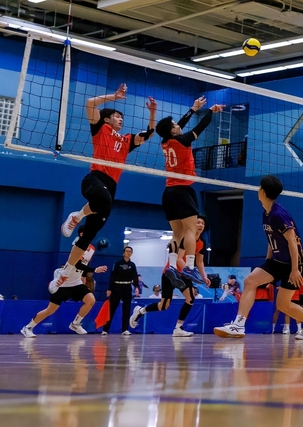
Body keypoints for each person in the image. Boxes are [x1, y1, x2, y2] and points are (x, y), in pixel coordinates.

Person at [58, 83, 156, 286]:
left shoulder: (127, 140)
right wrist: (115, 96)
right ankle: (77, 215)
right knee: (104, 200)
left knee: (89, 235)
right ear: (107, 119)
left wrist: (152, 113)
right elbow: (90, 103)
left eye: (122, 117)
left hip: (111, 187)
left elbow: (149, 134)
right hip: (95, 179)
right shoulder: (100, 128)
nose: (121, 119)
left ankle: (65, 272)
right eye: (117, 116)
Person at [214, 175, 303, 340]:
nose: (258, 190)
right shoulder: (266, 213)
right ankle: (239, 325)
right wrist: (267, 262)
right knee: (250, 281)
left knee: (283, 304)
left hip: (294, 264)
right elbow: (272, 239)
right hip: (276, 261)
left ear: (262, 191)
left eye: (259, 188)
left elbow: (292, 242)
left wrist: (294, 269)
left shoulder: (278, 214)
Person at [155, 97, 223, 290]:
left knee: (177, 233)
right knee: (191, 230)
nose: (178, 125)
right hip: (183, 190)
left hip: (168, 192)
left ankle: (172, 265)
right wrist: (210, 112)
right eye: (174, 124)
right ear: (172, 130)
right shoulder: (183, 140)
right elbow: (201, 126)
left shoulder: (165, 142)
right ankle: (190, 267)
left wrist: (193, 109)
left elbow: (179, 126)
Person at [130, 215, 209, 337]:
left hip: (184, 274)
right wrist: (190, 272)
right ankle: (140, 311)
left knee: (190, 299)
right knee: (164, 305)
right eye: (198, 222)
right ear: (192, 224)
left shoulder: (202, 243)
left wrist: (204, 277)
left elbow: (199, 261)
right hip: (170, 273)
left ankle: (178, 328)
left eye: (202, 223)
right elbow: (178, 259)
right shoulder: (185, 238)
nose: (200, 225)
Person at [21, 261, 108, 338]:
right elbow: (77, 264)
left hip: (76, 283)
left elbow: (83, 269)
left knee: (90, 300)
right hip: (63, 284)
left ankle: (75, 324)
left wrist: (84, 280)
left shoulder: (89, 253)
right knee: (50, 310)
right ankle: (28, 327)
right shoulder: (78, 250)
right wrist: (95, 269)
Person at [103, 246, 139, 335]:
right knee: (112, 309)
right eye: (127, 251)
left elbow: (135, 276)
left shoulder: (132, 265)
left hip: (127, 287)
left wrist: (136, 287)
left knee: (126, 309)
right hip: (117, 287)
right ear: (123, 253)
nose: (128, 253)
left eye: (130, 251)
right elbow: (112, 276)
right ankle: (105, 329)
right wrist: (110, 288)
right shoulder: (118, 263)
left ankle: (125, 329)